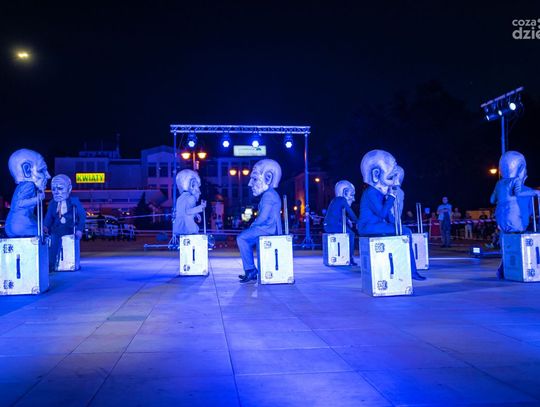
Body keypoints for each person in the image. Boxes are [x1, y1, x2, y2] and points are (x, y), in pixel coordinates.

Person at [357, 150, 426, 280]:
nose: (396, 182)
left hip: (376, 225)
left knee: (403, 231)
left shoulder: (378, 193)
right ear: (376, 174)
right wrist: (391, 196)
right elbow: (382, 213)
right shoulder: (371, 192)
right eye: (391, 177)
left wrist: (398, 225)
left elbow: (388, 215)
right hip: (368, 226)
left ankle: (406, 269)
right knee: (406, 232)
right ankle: (411, 271)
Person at [490, 151, 540, 279]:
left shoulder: (499, 183)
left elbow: (492, 200)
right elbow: (519, 194)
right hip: (515, 218)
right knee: (518, 241)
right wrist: (535, 192)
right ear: (520, 168)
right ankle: (518, 269)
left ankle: (503, 270)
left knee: (507, 244)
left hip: (501, 218)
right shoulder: (517, 181)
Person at [237, 159, 283, 283]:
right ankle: (250, 270)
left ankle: (250, 270)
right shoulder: (271, 194)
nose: (250, 184)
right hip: (268, 228)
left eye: (255, 179)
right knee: (245, 239)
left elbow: (263, 217)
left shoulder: (269, 195)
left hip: (267, 229)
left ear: (268, 178)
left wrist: (253, 225)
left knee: (242, 238)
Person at [44, 175, 86, 271]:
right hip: (56, 230)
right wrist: (45, 227)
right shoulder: (52, 203)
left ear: (69, 189)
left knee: (64, 245)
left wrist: (79, 229)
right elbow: (48, 218)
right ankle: (51, 265)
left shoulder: (74, 201)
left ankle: (67, 263)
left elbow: (82, 215)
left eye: (60, 188)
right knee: (52, 244)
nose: (56, 192)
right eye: (53, 189)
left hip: (70, 228)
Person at [5, 149, 51, 237]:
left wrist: (40, 224)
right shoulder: (29, 185)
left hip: (14, 225)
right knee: (45, 236)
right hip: (20, 225)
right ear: (27, 170)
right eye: (42, 170)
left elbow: (28, 213)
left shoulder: (22, 186)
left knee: (42, 232)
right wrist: (38, 199)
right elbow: (19, 204)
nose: (48, 176)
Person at [323, 180, 358, 266]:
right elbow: (350, 212)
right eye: (351, 194)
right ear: (345, 192)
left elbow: (337, 214)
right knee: (351, 234)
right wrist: (358, 222)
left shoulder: (335, 200)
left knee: (347, 233)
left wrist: (347, 220)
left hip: (329, 225)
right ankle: (349, 258)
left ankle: (344, 255)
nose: (353, 199)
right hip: (333, 225)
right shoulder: (342, 199)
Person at [172, 169, 206, 236]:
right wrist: (201, 207)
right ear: (192, 186)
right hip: (188, 229)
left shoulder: (180, 198)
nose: (199, 192)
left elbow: (183, 211)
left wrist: (196, 214)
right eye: (198, 188)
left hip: (179, 228)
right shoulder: (191, 198)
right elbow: (188, 211)